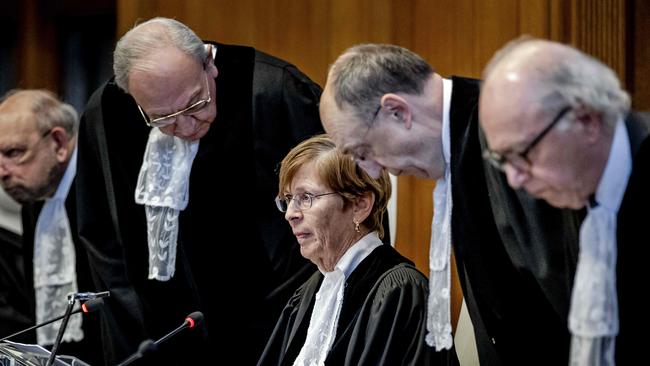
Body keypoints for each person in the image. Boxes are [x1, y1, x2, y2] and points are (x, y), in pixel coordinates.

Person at [76, 17, 325, 365]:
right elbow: (101, 234)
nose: (186, 126)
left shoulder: (273, 91)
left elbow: (332, 218)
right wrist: (132, 321)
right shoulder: (105, 113)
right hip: (156, 339)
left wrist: (285, 319)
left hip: (272, 327)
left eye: (195, 103)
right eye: (162, 118)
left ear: (210, 63)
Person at [319, 43, 583, 365]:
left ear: (397, 111)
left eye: (363, 151)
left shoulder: (520, 133)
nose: (373, 170)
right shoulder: (464, 144)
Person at [479, 38, 650, 365]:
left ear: (586, 120)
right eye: (502, 160)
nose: (514, 180)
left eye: (523, 154)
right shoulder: (572, 190)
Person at [257, 134, 432, 365]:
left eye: (306, 197)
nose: (290, 214)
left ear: (360, 205)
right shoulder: (309, 295)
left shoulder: (400, 292)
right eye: (288, 199)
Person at [0, 90, 101, 364]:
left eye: (14, 153)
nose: (2, 172)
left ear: (58, 143)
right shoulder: (33, 197)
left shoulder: (99, 189)